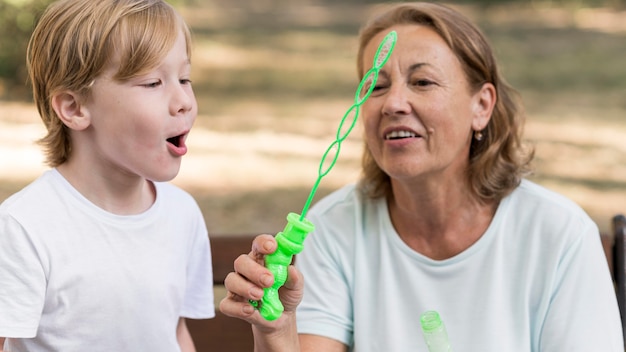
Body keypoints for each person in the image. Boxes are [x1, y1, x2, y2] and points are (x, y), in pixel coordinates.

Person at [219, 2, 623, 351]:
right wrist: (277, 329)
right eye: (375, 86)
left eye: (423, 82)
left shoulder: (558, 234)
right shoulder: (331, 229)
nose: (393, 102)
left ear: (481, 106)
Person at [0, 0, 214, 351]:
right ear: (74, 107)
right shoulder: (25, 226)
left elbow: (175, 334)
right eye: (152, 83)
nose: (184, 101)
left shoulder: (182, 214)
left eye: (185, 78)